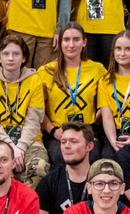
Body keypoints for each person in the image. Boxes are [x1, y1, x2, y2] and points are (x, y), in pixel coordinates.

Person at [0, 34, 48, 186]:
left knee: (39, 168)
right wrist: (10, 147)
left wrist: (21, 147)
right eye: (6, 54)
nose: (10, 58)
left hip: (30, 141)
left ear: (23, 58)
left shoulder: (35, 80)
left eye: (16, 54)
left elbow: (34, 119)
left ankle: (29, 202)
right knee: (0, 168)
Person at [38, 23, 107, 168]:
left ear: (84, 42)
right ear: (60, 42)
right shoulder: (45, 71)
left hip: (87, 131)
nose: (71, 45)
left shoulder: (97, 69)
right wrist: (53, 131)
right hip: (59, 133)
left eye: (76, 39)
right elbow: (38, 109)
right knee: (61, 156)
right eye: (66, 39)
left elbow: (108, 101)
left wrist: (97, 117)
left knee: (91, 156)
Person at [34, 120, 94, 214]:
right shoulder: (49, 182)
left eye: (73, 141)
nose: (67, 146)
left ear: (89, 146)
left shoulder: (102, 182)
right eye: (63, 141)